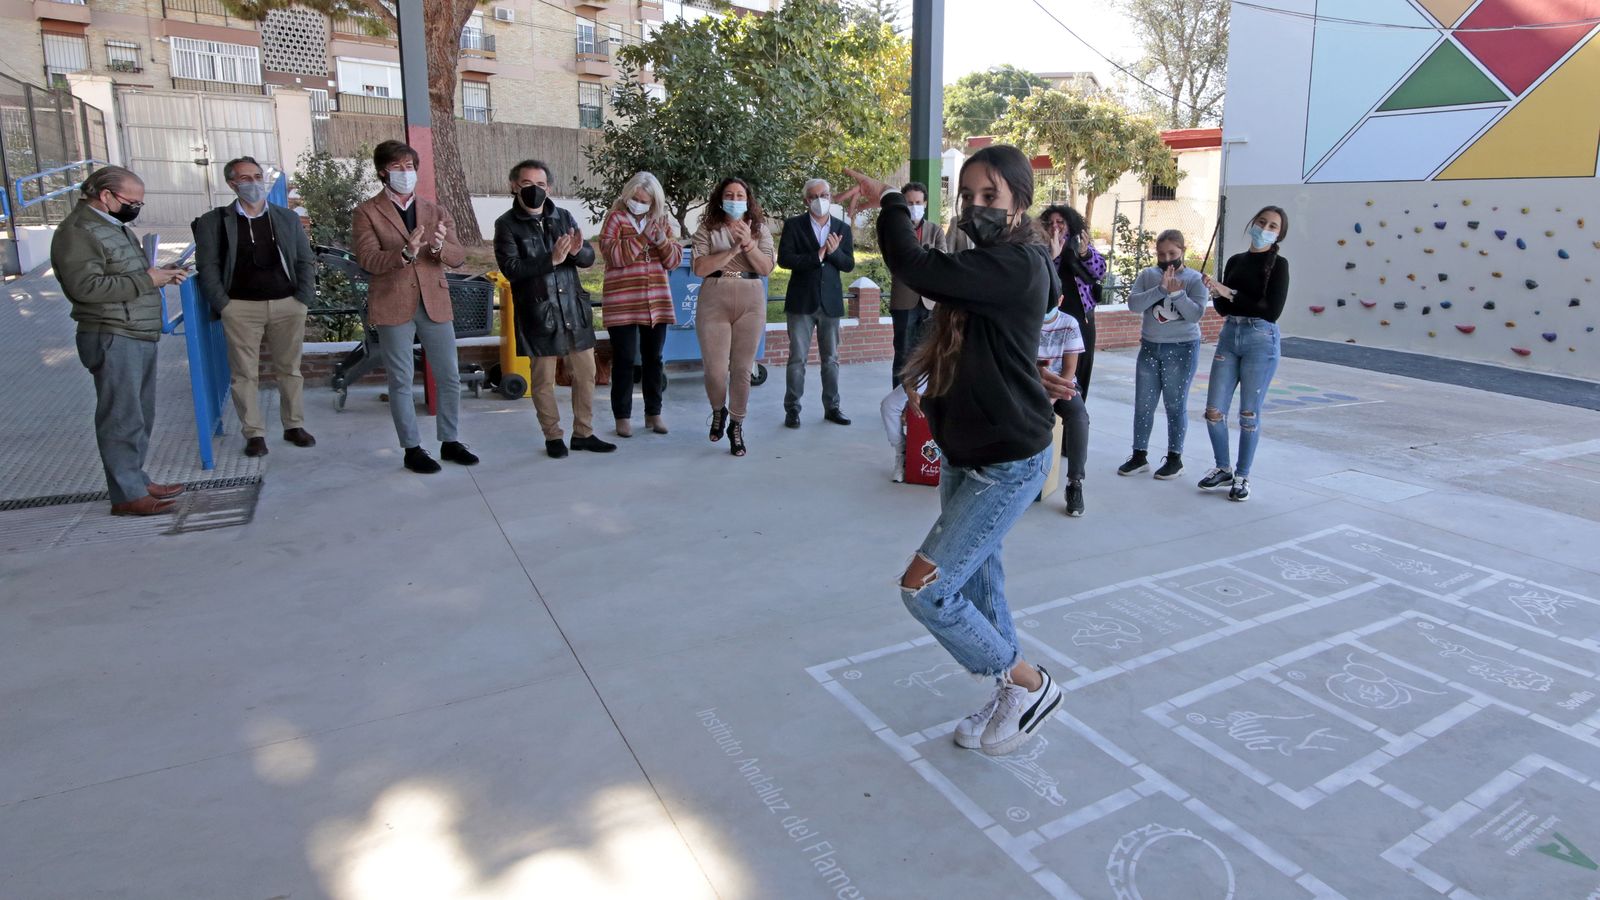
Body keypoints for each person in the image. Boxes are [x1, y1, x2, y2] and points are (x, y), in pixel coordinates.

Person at [838, 146, 1075, 757]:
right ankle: (1010, 690)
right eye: (967, 196)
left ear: (1020, 202)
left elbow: (914, 265)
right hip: (966, 453)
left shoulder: (1017, 262)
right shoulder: (992, 262)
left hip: (1007, 460)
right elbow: (994, 341)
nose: (975, 207)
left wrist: (892, 202)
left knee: (927, 589)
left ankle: (1031, 684)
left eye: (990, 196)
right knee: (976, 588)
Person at [52, 166, 189, 516]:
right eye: (132, 202)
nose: (135, 208)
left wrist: (161, 274)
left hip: (135, 330)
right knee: (121, 417)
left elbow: (125, 273)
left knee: (139, 414)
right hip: (112, 333)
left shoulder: (110, 226)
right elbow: (86, 288)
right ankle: (127, 494)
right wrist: (148, 280)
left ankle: (135, 480)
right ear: (105, 195)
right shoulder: (78, 232)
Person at [352, 140, 477, 473]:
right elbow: (368, 259)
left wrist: (437, 248)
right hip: (392, 302)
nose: (405, 173)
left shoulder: (435, 210)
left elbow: (458, 255)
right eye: (397, 167)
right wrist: (405, 253)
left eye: (410, 167)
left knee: (449, 375)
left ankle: (450, 441)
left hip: (434, 300)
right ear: (383, 171)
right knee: (401, 380)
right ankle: (412, 448)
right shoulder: (366, 212)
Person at [192, 156, 318, 458]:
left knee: (290, 369)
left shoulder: (286, 218)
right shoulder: (213, 222)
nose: (254, 183)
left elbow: (305, 259)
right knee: (244, 375)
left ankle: (294, 425)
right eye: (245, 178)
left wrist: (303, 298)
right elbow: (207, 266)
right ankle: (254, 434)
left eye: (258, 176)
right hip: (240, 308)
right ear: (232, 184)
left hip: (287, 304)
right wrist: (223, 304)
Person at [493, 159, 615, 459]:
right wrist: (551, 260)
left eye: (540, 184)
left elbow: (587, 258)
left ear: (549, 188)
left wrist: (577, 251)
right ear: (514, 186)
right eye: (527, 184)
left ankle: (583, 433)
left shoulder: (563, 216)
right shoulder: (506, 224)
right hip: (539, 312)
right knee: (543, 380)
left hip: (572, 308)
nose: (535, 190)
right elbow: (511, 269)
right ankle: (553, 435)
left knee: (586, 374)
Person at [1199, 206, 1291, 502]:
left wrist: (1229, 292)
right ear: (1253, 223)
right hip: (1230, 335)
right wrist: (1216, 292)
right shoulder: (1236, 261)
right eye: (1262, 222)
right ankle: (1223, 468)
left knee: (1248, 413)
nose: (1265, 228)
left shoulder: (1279, 265)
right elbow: (1224, 309)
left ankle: (1242, 475)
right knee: (1214, 410)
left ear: (1279, 233)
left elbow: (1271, 310)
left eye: (1273, 226)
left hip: (1260, 339)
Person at [692, 177, 776, 457]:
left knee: (742, 370)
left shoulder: (760, 229)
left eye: (740, 195)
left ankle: (736, 425)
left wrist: (748, 244)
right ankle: (719, 410)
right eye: (729, 195)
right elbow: (700, 268)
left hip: (750, 300)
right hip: (714, 298)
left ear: (748, 200)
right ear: (720, 199)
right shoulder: (707, 228)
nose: (735, 200)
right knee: (715, 370)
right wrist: (731, 251)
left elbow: (766, 268)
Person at [598, 171, 682, 438]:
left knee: (653, 359)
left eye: (645, 201)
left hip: (655, 302)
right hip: (621, 301)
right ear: (627, 195)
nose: (639, 204)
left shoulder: (661, 221)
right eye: (635, 198)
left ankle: (653, 413)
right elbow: (613, 256)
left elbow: (674, 261)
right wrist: (643, 238)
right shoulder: (615, 218)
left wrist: (662, 241)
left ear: (654, 202)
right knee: (623, 359)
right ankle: (622, 416)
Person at [1120, 229, 1208, 480]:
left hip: (1182, 347)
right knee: (1143, 404)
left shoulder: (1194, 279)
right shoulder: (1148, 275)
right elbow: (1134, 304)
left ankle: (1174, 459)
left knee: (1175, 404)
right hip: (1150, 346)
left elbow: (1195, 314)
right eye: (1161, 254)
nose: (1167, 259)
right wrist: (1160, 290)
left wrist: (1177, 294)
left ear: (1183, 251)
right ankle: (1139, 455)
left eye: (1172, 253)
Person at [777, 177, 855, 428]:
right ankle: (792, 409)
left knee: (831, 359)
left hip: (830, 302)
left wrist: (834, 253)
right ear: (806, 200)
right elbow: (784, 260)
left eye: (824, 195)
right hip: (801, 301)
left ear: (831, 197)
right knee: (797, 359)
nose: (820, 200)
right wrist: (817, 255)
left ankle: (832, 407)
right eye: (814, 196)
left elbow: (848, 264)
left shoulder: (842, 228)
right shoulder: (793, 225)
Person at [886, 181, 947, 388]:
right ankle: (899, 400)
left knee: (926, 353)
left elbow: (942, 259)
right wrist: (925, 256)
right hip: (904, 301)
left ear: (925, 203)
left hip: (930, 302)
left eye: (918, 202)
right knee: (902, 353)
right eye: (909, 203)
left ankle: (920, 401)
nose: (914, 206)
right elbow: (895, 260)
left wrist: (920, 259)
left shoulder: (935, 230)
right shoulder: (896, 229)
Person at [1040, 205, 1104, 400]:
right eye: (1050, 223)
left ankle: (1075, 403)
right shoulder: (1039, 248)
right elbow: (1035, 276)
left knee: (1081, 367)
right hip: (1051, 318)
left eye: (1060, 222)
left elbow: (1099, 271)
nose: (1055, 226)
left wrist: (1085, 254)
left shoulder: (1078, 244)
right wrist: (1051, 255)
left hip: (1081, 318)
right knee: (1049, 364)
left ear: (1069, 224)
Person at [1038, 303, 1089, 516]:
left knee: (1079, 417)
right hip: (1030, 382)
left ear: (1060, 299)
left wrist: (1052, 397)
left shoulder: (1069, 323)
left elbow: (1069, 369)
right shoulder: (1025, 315)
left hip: (1063, 384)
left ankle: (1074, 482)